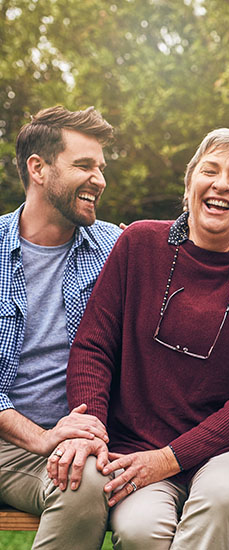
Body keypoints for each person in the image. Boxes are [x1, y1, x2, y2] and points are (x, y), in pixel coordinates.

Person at [55, 128, 229, 550]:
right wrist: (91, 427)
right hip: (136, 447)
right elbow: (93, 348)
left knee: (220, 500)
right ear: (189, 186)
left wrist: (169, 459)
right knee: (138, 531)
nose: (222, 184)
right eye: (211, 170)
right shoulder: (138, 244)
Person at [0, 106, 122, 549]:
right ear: (39, 168)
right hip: (10, 440)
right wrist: (43, 437)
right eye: (84, 165)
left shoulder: (115, 245)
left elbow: (198, 248)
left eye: (101, 168)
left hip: (75, 442)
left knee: (81, 485)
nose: (99, 179)